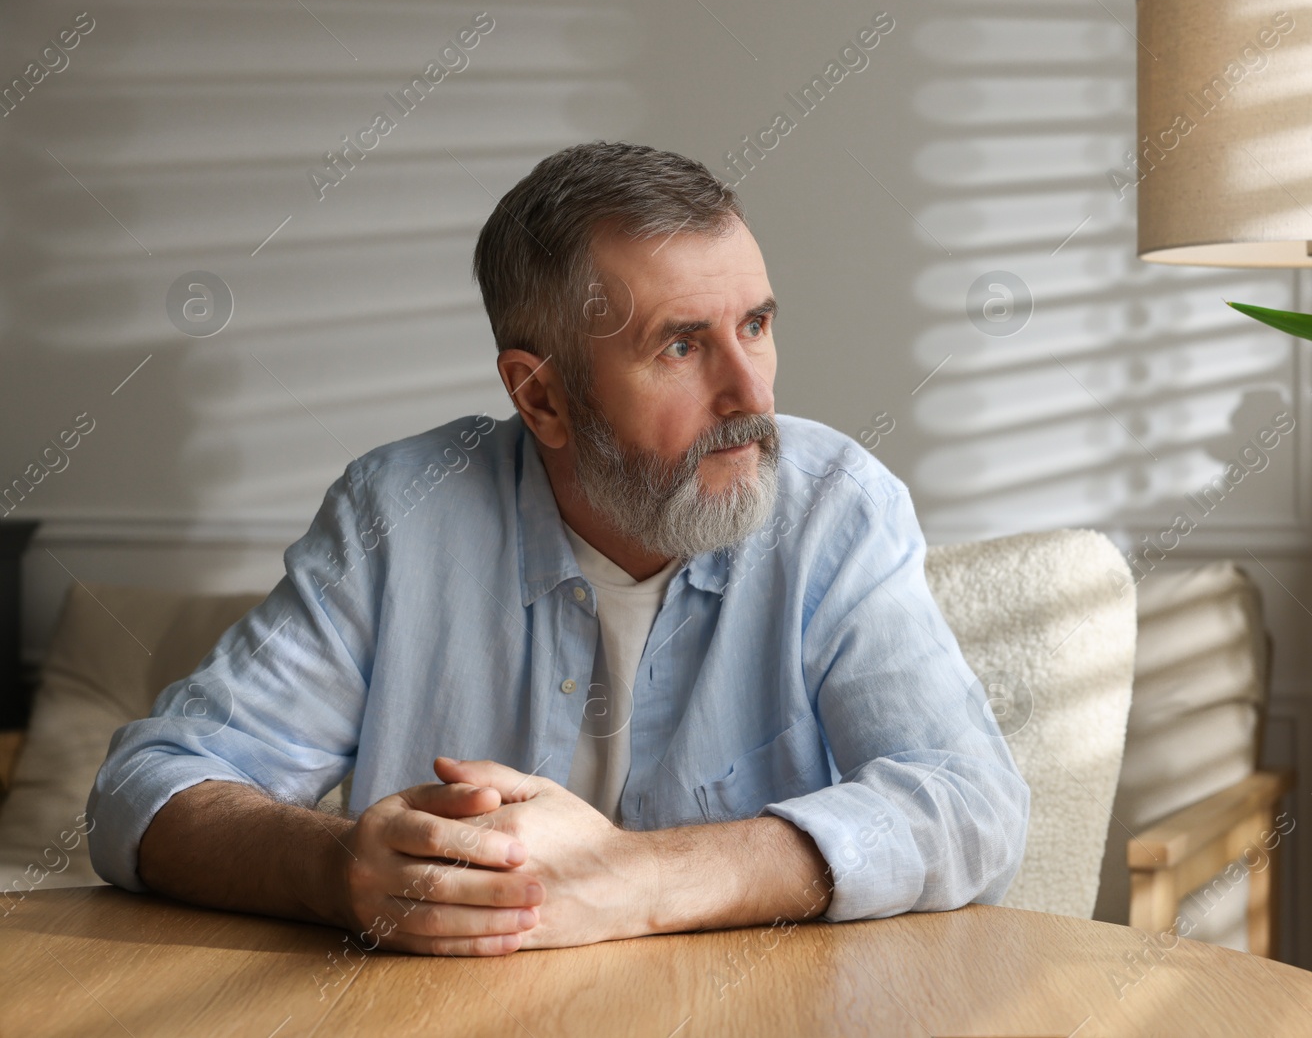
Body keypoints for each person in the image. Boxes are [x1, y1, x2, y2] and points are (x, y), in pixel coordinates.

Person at [86, 140, 1029, 957]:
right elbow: (146, 788)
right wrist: (337, 867)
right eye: (681, 346)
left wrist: (643, 879)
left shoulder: (835, 508)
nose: (751, 394)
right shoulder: (397, 512)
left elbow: (972, 804)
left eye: (756, 324)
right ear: (541, 397)